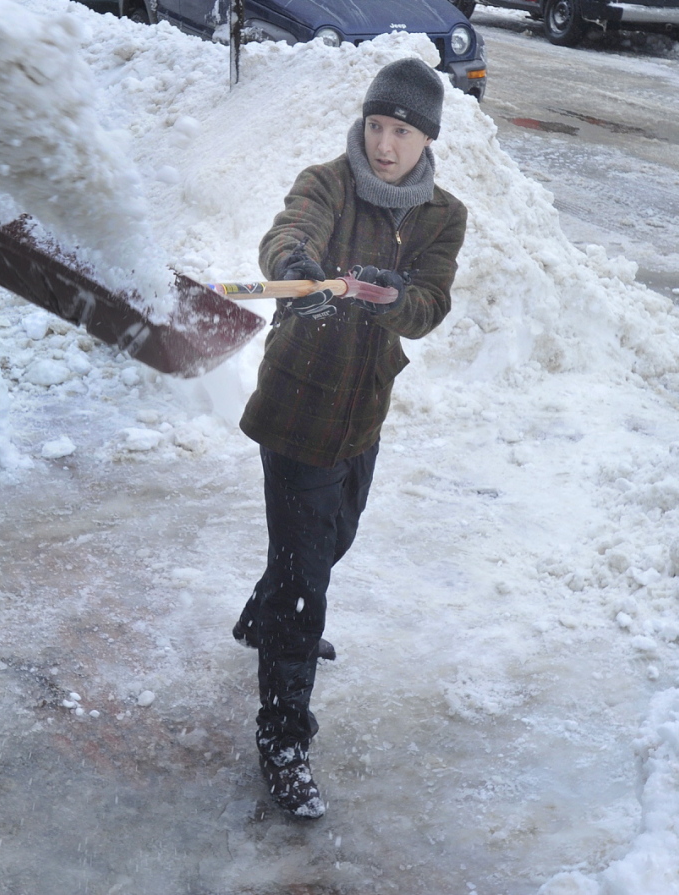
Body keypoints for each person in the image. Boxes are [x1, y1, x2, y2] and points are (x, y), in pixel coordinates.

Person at [232, 56, 468, 818]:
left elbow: (430, 303)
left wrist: (398, 298)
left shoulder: (441, 216)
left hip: (363, 409)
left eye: (400, 131)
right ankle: (284, 741)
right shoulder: (329, 180)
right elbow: (288, 230)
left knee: (333, 539)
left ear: (425, 137)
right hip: (298, 408)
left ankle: (260, 613)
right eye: (376, 126)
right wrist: (294, 266)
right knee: (306, 588)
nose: (384, 144)